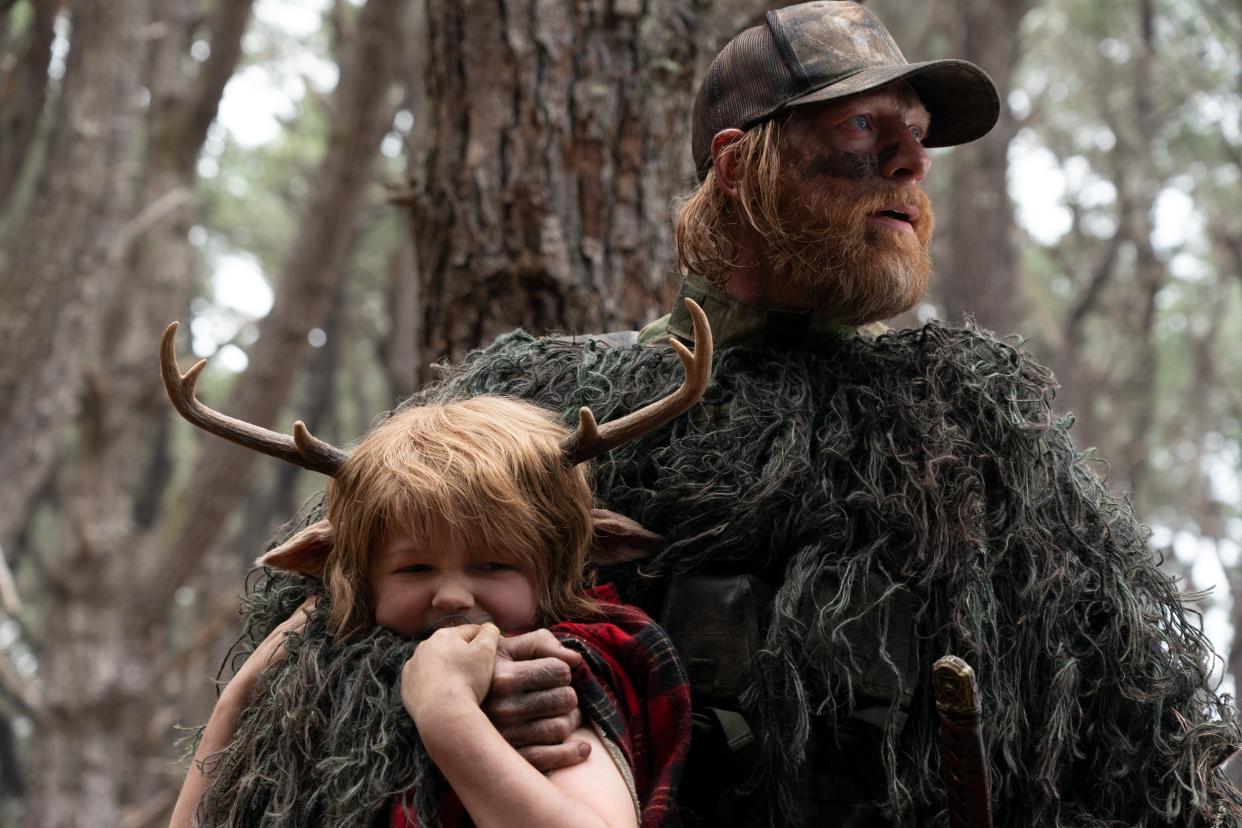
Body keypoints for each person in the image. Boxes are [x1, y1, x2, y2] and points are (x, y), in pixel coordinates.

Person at [219, 3, 1242, 827]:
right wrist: (478, 679)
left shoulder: (975, 434)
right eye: (863, 132)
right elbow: (326, 650)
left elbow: (1136, 742)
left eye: (917, 140)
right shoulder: (535, 414)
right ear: (737, 162)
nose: (911, 166)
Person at [164, 306, 710, 827]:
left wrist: (447, 713)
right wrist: (249, 686)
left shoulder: (547, 674)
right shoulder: (323, 685)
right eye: (415, 569)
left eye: (494, 564)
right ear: (343, 571)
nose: (451, 596)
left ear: (566, 563)